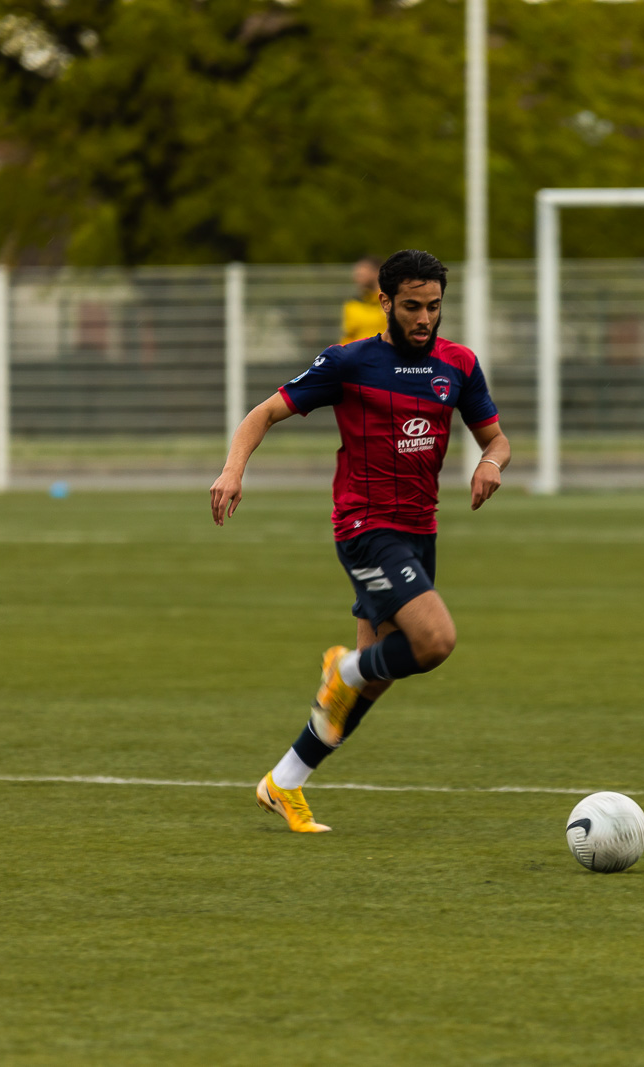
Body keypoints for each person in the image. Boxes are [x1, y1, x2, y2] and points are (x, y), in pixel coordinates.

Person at [210, 249, 510, 832]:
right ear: (385, 303)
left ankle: (283, 783)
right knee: (434, 641)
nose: (424, 319)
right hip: (366, 527)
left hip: (421, 530)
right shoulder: (348, 362)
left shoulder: (459, 364)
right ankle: (343, 669)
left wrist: (490, 463)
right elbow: (263, 413)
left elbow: (496, 439)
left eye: (434, 307)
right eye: (412, 307)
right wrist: (232, 470)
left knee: (374, 681)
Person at [340, 256, 388, 345]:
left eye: (362, 273)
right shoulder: (352, 304)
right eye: (357, 274)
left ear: (377, 272)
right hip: (361, 352)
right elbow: (349, 336)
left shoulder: (392, 301)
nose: (356, 277)